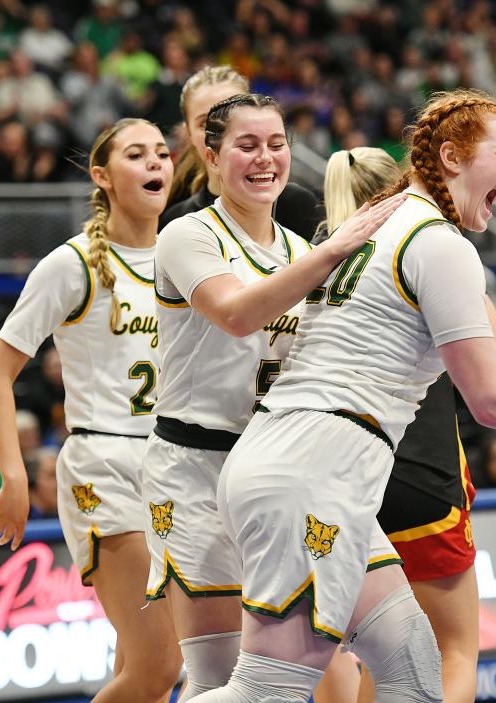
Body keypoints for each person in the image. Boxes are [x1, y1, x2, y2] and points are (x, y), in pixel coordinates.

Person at [195, 88, 496, 703]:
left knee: (418, 676)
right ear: (451, 156)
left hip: (305, 463)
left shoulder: (389, 222)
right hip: (313, 469)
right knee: (265, 690)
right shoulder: (438, 242)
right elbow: (492, 402)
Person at [143, 94, 404, 701]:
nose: (266, 159)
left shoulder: (296, 247)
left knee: (360, 655)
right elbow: (235, 314)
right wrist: (336, 249)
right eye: (247, 145)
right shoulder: (187, 235)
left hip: (286, 468)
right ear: (211, 156)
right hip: (196, 471)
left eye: (278, 144)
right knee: (221, 678)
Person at [0, 117, 183, 702]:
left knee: (141, 669)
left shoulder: (187, 255)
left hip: (178, 463)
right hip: (107, 464)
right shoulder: (71, 265)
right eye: (137, 154)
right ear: (102, 175)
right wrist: (14, 474)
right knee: (158, 666)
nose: (155, 164)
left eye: (163, 153)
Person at [315, 145, 493, 702]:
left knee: (361, 662)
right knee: (451, 651)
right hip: (420, 471)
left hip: (334, 478)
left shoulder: (312, 261)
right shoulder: (431, 244)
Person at [159, 65, 323, 239]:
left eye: (231, 118)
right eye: (205, 124)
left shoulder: (297, 204)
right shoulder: (175, 220)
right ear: (188, 133)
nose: (216, 134)